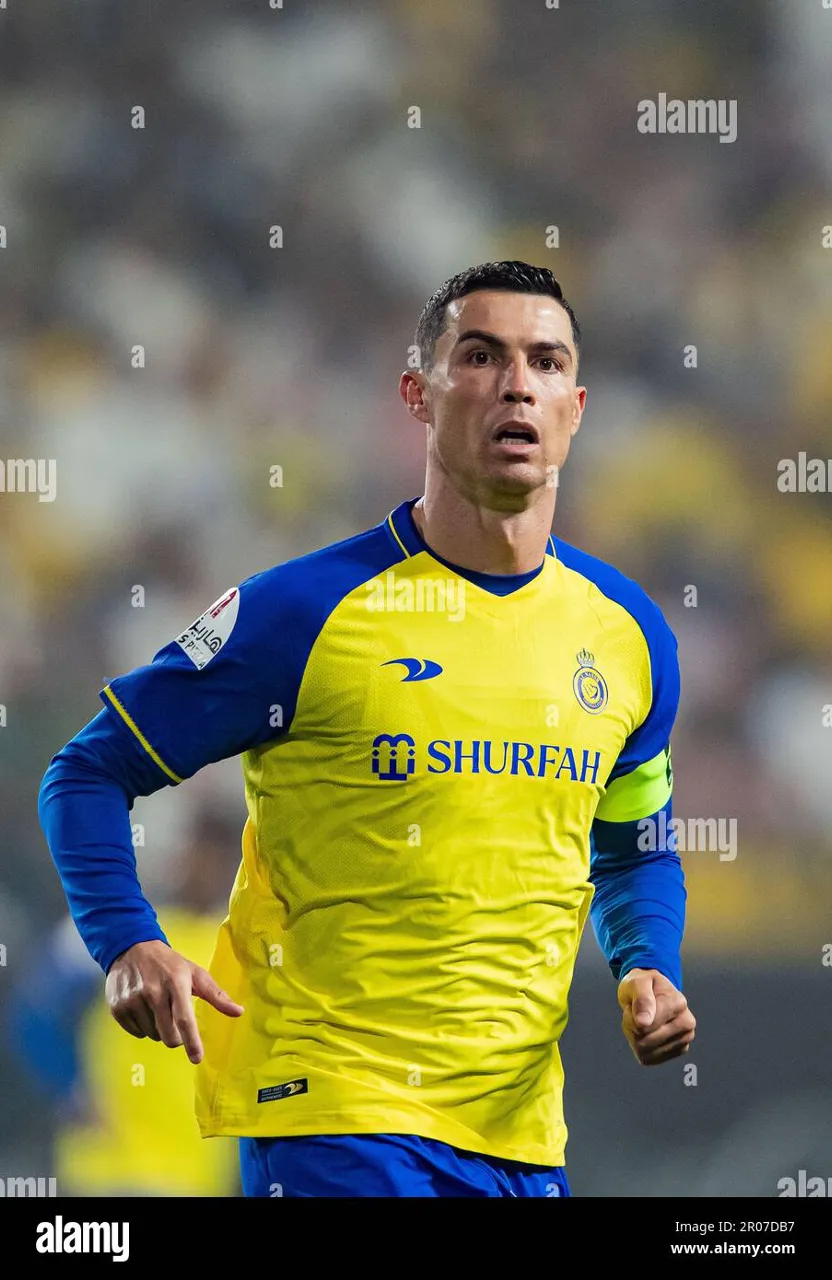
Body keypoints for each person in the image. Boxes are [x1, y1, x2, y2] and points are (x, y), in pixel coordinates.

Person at [39, 260, 695, 1198]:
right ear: (417, 397)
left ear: (577, 405)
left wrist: (646, 967)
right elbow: (87, 772)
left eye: (546, 363)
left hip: (517, 1130)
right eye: (481, 356)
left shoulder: (630, 638)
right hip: (333, 1114)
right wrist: (127, 939)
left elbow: (634, 849)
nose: (517, 383)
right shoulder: (303, 612)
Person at [7, 808, 241, 1196]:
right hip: (105, 1170)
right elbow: (34, 1019)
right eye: (196, 849)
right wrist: (72, 1091)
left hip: (192, 1177)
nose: (202, 866)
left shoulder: (236, 952)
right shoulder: (111, 931)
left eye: (217, 857)